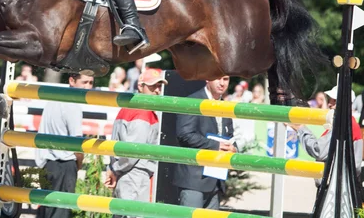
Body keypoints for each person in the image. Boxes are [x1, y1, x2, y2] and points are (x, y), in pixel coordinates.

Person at [105, 69, 167, 216]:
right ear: (141, 86)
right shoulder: (143, 112)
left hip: (126, 173)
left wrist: (113, 168)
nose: (157, 91)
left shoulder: (128, 107)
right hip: (134, 175)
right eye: (153, 86)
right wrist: (115, 169)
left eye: (159, 86)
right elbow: (133, 153)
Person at [35, 73, 94, 218]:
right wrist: (78, 163)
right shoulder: (73, 105)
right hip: (64, 164)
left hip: (47, 164)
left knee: (48, 210)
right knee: (60, 211)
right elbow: (77, 143)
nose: (88, 87)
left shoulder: (54, 99)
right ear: (72, 81)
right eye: (84, 82)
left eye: (91, 83)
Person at [173, 76, 236, 210]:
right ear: (207, 79)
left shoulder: (226, 106)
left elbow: (229, 136)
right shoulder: (192, 101)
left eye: (226, 79)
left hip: (216, 179)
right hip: (193, 179)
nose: (222, 83)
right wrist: (216, 146)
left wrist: (232, 149)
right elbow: (184, 135)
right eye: (218, 78)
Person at [292, 85, 362, 186]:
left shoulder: (343, 124)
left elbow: (319, 150)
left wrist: (300, 129)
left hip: (335, 189)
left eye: (333, 101)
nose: (329, 104)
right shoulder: (349, 123)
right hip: (340, 187)